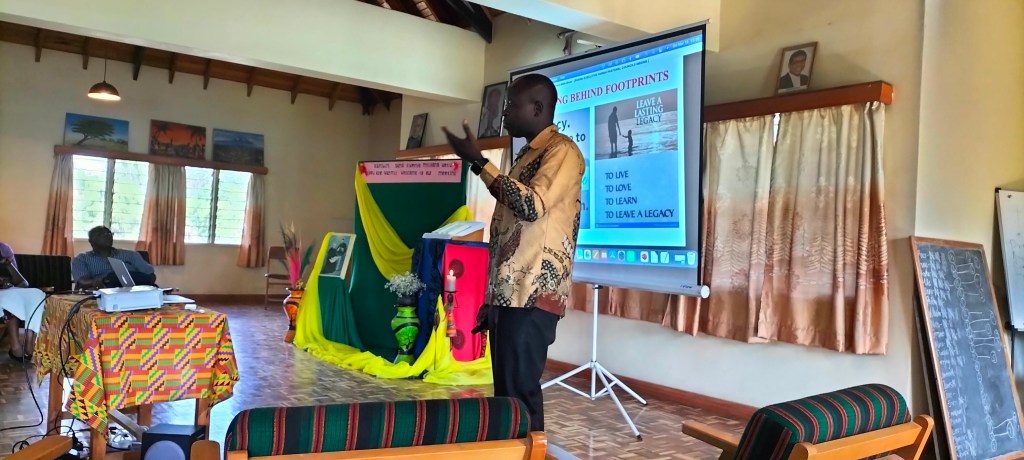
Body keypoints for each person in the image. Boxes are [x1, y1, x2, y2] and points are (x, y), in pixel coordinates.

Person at [442, 73, 585, 432]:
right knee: (506, 397)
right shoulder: (527, 155)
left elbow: (532, 206)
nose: (504, 112)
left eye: (512, 105)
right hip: (510, 295)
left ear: (537, 108)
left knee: (521, 394)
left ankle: (530, 452)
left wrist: (480, 162)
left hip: (533, 294)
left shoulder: (562, 152)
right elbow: (508, 232)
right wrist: (492, 298)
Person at [0, 242, 46, 362]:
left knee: (37, 294)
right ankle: (16, 348)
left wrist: (8, 264)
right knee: (10, 299)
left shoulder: (3, 248)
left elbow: (23, 283)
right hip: (5, 296)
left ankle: (29, 343)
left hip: (9, 291)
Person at [72, 226, 156, 289]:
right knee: (111, 278)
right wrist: (100, 281)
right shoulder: (82, 259)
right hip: (103, 292)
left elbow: (151, 276)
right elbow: (82, 282)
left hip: (135, 291)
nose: (107, 236)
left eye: (109, 233)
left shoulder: (131, 255)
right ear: (91, 241)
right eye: (101, 234)